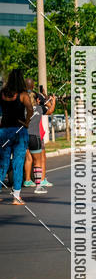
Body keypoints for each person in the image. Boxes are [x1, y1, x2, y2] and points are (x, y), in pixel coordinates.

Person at [0, 69, 33, 205]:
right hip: (19, 130)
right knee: (18, 163)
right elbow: (30, 110)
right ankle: (16, 197)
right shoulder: (23, 95)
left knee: (3, 163)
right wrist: (26, 122)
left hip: (4, 131)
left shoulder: (2, 94)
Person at [23, 79, 55, 193]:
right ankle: (39, 184)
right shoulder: (39, 106)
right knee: (39, 160)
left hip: (22, 136)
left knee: (25, 159)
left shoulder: (21, 106)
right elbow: (50, 109)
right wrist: (50, 99)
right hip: (35, 136)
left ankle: (25, 181)